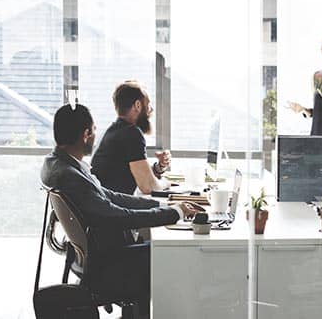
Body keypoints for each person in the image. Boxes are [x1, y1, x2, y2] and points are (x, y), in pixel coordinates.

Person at [41, 103, 202, 317]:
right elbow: (116, 216)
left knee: (158, 246)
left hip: (89, 257)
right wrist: (175, 214)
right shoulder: (70, 175)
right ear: (86, 134)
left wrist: (164, 206)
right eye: (94, 130)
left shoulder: (59, 164)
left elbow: (110, 196)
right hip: (106, 264)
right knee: (169, 252)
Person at [90, 80, 172, 195]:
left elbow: (137, 174)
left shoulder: (114, 131)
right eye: (148, 105)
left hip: (106, 202)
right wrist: (166, 183)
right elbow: (148, 187)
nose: (151, 110)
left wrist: (159, 167)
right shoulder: (131, 133)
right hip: (113, 207)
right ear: (138, 105)